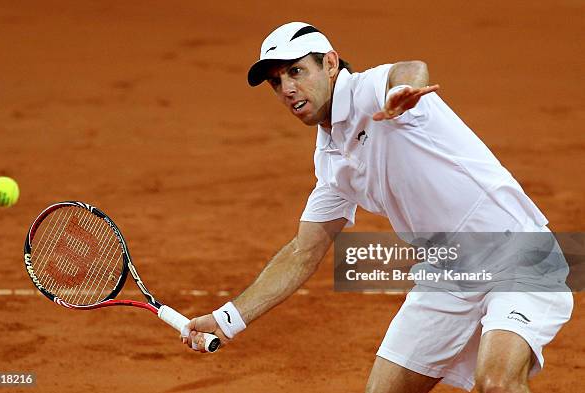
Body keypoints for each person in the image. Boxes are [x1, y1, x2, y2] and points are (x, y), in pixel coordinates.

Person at [182, 22, 573, 392]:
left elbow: (411, 70)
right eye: (277, 81)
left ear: (331, 64)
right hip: (447, 275)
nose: (287, 88)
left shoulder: (368, 91)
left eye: (297, 71)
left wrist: (402, 95)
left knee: (497, 383)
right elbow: (304, 252)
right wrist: (227, 319)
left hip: (518, 255)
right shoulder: (332, 163)